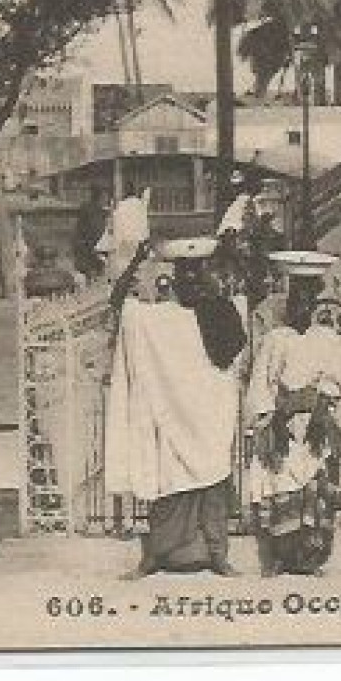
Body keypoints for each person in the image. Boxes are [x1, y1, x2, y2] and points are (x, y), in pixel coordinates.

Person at [104, 237, 249, 578]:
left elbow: (242, 317)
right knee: (168, 482)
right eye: (185, 275)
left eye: (197, 274)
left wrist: (234, 258)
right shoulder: (157, 319)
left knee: (213, 480)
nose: (192, 281)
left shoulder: (220, 313)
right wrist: (137, 260)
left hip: (210, 419)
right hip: (173, 423)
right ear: (173, 279)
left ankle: (218, 554)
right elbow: (118, 304)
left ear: (207, 276)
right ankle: (154, 556)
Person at [245, 255, 341, 576]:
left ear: (315, 304)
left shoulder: (328, 339)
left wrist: (322, 413)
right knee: (282, 484)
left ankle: (310, 556)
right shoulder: (276, 339)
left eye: (307, 302)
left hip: (316, 422)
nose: (300, 309)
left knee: (314, 484)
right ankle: (282, 555)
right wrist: (272, 422)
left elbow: (338, 382)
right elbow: (262, 384)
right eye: (296, 301)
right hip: (284, 422)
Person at [99, 179, 152, 280]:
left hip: (123, 244)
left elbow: (112, 226)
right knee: (135, 270)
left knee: (121, 270)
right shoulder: (139, 205)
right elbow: (143, 226)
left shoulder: (120, 206)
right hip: (137, 243)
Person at [71, 188, 110, 282]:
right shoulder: (94, 211)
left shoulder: (90, 208)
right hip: (89, 247)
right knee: (92, 273)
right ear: (99, 198)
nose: (107, 200)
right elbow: (96, 230)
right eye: (105, 198)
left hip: (86, 246)